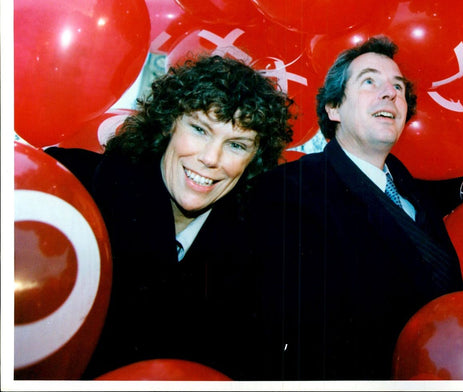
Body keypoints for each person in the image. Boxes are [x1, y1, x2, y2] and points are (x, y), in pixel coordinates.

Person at [45, 54, 294, 379]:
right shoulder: (70, 189)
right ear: (169, 123)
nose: (211, 158)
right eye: (199, 130)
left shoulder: (263, 252)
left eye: (236, 145)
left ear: (254, 159)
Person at [253, 35, 463, 380]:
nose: (389, 93)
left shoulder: (417, 193)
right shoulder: (290, 191)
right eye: (369, 81)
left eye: (398, 86)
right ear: (333, 108)